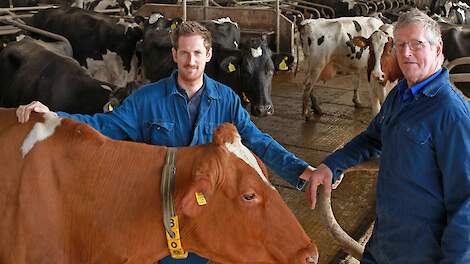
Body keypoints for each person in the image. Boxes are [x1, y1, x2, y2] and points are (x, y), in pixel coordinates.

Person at [16, 21, 316, 264]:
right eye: (184, 53)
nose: (191, 61)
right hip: (157, 214)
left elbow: (257, 141)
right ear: (174, 55)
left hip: (201, 212)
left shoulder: (226, 98)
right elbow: (105, 126)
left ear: (208, 55)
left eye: (197, 53)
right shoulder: (148, 98)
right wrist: (55, 116)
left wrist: (300, 172)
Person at [304, 8, 470, 263]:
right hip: (383, 245)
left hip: (422, 253)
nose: (405, 53)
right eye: (400, 44)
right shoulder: (400, 94)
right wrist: (332, 164)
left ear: (438, 50)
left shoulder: (453, 113)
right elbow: (372, 139)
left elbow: (466, 204)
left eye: (417, 44)